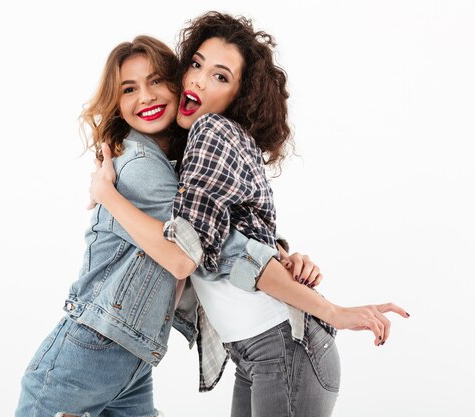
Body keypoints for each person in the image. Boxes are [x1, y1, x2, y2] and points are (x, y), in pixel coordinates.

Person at [89, 11, 409, 417]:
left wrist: (106, 194)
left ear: (237, 96)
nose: (199, 81)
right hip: (261, 353)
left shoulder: (212, 133)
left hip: (283, 348)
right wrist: (284, 253)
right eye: (197, 64)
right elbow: (240, 239)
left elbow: (191, 255)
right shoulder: (202, 148)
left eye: (220, 77)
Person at [15, 33, 309, 417]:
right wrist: (108, 195)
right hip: (86, 355)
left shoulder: (180, 163)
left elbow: (218, 230)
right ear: (117, 104)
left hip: (126, 360)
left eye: (156, 81)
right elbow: (184, 258)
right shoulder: (140, 165)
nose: (146, 97)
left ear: (177, 83)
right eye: (129, 89)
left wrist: (280, 255)